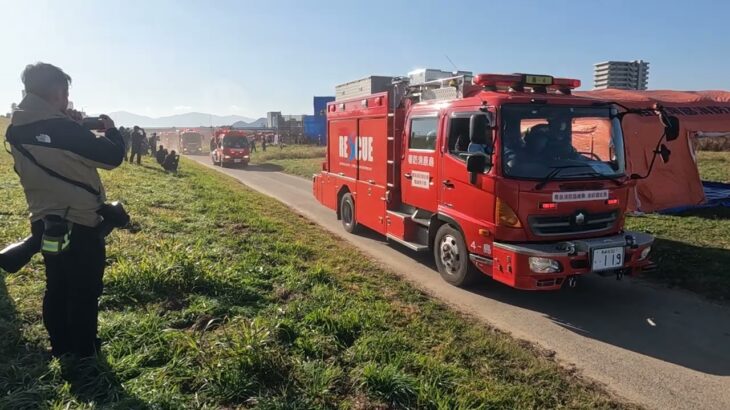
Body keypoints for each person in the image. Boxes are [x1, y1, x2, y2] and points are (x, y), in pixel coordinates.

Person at [4, 62, 125, 358]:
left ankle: (60, 346)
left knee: (56, 286)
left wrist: (64, 121)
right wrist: (111, 131)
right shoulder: (63, 129)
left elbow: (50, 148)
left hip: (44, 221)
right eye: (65, 94)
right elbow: (112, 157)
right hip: (81, 222)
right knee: (84, 291)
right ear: (59, 93)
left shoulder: (16, 129)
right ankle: (85, 352)